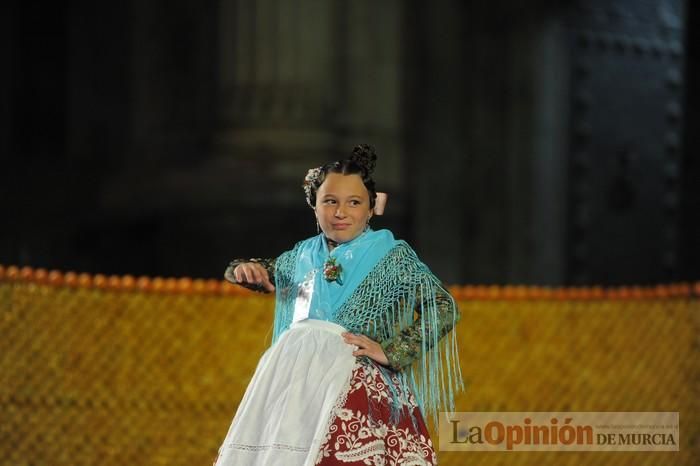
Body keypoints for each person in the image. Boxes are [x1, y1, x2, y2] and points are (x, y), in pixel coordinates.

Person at [214, 144, 463, 465]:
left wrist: (392, 352)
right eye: (330, 202)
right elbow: (260, 270)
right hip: (292, 386)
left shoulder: (392, 256)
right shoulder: (299, 256)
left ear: (372, 207)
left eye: (354, 203)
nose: (340, 212)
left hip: (356, 382)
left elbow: (442, 307)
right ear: (314, 207)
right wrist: (242, 269)